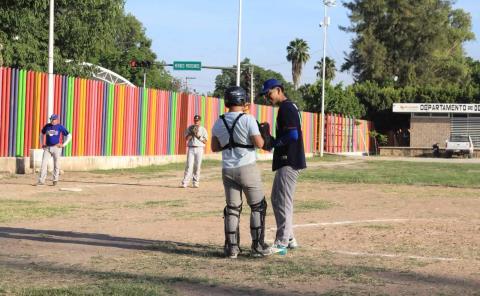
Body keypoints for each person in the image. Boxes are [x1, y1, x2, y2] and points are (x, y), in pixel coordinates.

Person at [211, 86, 273, 259]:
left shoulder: (219, 121)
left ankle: (232, 248)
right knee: (257, 206)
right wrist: (263, 134)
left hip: (228, 169)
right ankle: (258, 246)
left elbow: (215, 147)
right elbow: (260, 143)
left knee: (232, 209)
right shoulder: (248, 119)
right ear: (241, 101)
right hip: (247, 168)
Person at [260, 78, 307, 255]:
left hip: (289, 160)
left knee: (283, 200)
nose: (267, 97)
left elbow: (293, 135)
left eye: (269, 93)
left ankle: (282, 242)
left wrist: (274, 143)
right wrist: (272, 139)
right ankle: (290, 238)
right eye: (265, 95)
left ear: (278, 90)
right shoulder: (288, 107)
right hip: (287, 160)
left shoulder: (286, 108)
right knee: (277, 198)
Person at [36, 114, 72, 186]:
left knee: (56, 164)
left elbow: (69, 135)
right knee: (43, 164)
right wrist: (42, 143)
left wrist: (63, 144)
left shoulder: (60, 127)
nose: (52, 121)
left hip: (56, 148)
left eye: (54, 119)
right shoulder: (47, 126)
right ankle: (41, 181)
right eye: (51, 119)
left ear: (57, 120)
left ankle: (55, 180)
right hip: (47, 148)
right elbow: (41, 134)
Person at [181, 114, 208, 188]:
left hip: (199, 148)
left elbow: (205, 141)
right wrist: (191, 133)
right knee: (189, 165)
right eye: (195, 120)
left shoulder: (203, 129)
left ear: (200, 121)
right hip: (191, 148)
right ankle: (185, 182)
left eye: (198, 120)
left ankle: (195, 182)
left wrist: (197, 135)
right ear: (194, 120)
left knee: (197, 166)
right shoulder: (190, 128)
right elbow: (186, 138)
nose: (196, 122)